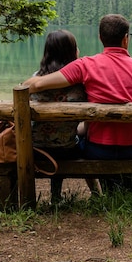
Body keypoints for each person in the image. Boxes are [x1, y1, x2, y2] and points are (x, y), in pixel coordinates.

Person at [24, 14, 132, 193]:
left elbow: (37, 83)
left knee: (84, 137)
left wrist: (24, 85)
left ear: (100, 38)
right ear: (125, 39)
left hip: (99, 150)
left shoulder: (85, 65)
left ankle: (103, 191)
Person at [29, 29, 99, 202]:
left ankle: (52, 196)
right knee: (80, 139)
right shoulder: (79, 86)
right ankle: (96, 193)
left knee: (57, 137)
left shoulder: (35, 81)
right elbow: (86, 124)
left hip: (34, 150)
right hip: (67, 150)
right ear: (72, 52)